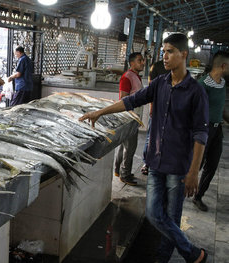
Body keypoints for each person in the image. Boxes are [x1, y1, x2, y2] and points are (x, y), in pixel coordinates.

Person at [79, 33, 208, 263]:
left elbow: (200, 134)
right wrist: (100, 112)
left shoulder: (196, 92)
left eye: (169, 51)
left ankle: (163, 256)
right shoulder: (160, 84)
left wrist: (193, 172)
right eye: (163, 52)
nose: (164, 56)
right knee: (154, 214)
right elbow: (130, 100)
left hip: (178, 165)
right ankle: (192, 253)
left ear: (183, 54)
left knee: (171, 217)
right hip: (156, 163)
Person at [193, 51, 229, 211]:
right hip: (204, 130)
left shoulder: (222, 83)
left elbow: (220, 109)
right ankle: (179, 191)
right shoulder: (203, 84)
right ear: (223, 66)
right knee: (197, 164)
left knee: (212, 164)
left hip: (217, 130)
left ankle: (198, 196)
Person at [114, 52, 145, 186]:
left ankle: (118, 170)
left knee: (124, 146)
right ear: (132, 63)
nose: (143, 62)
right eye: (139, 60)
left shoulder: (135, 76)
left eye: (143, 60)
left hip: (133, 117)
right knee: (130, 147)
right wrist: (128, 117)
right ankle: (125, 174)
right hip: (129, 118)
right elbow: (123, 99)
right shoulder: (127, 77)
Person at [141, 60, 170, 175]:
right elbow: (151, 90)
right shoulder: (157, 68)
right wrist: (152, 106)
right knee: (151, 136)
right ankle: (147, 162)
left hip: (168, 110)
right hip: (158, 109)